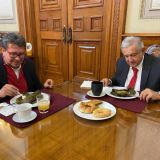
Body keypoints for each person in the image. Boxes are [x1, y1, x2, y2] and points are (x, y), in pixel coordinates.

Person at [0, 32, 53, 100]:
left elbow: (36, 88)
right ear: (3, 50)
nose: (17, 59)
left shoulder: (28, 63)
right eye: (13, 54)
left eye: (21, 54)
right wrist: (1, 93)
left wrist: (45, 86)